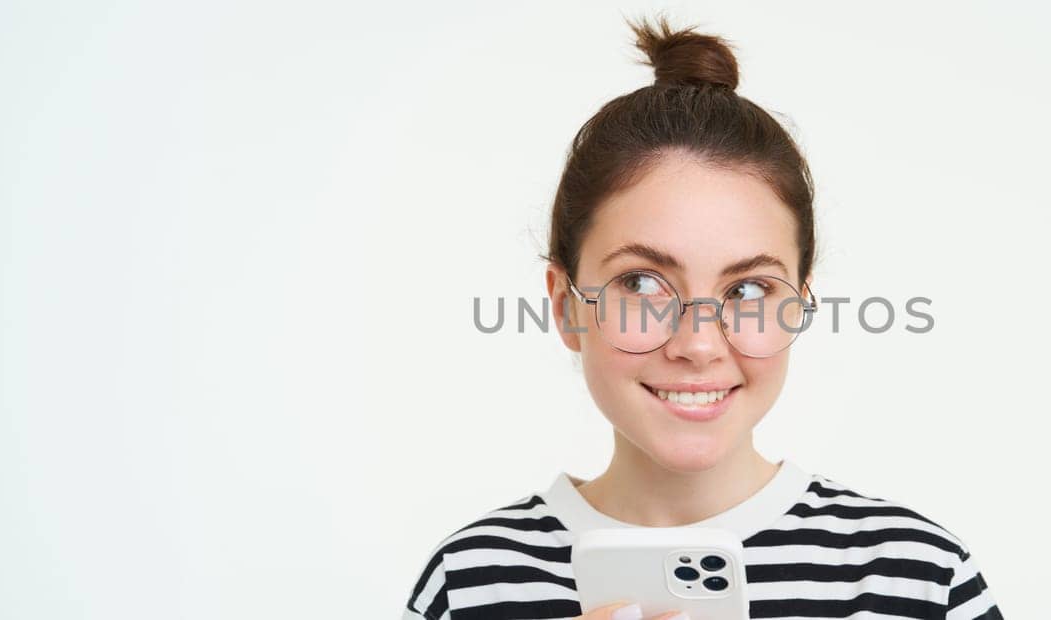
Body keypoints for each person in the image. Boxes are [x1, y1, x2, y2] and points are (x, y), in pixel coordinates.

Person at [402, 16, 1003, 620]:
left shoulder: (919, 578)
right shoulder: (470, 583)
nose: (698, 344)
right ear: (565, 306)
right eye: (641, 283)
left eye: (747, 289)